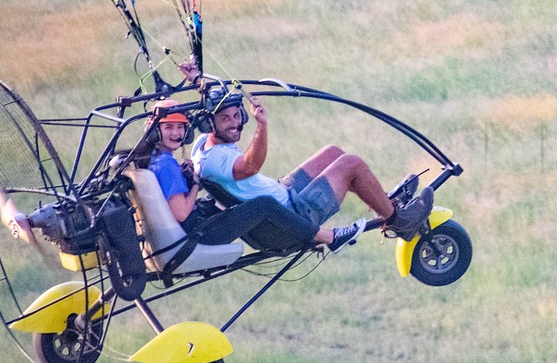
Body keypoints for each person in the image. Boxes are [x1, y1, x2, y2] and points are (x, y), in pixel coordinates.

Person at [191, 88, 432, 252]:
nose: (235, 124)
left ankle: (384, 203)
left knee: (333, 153)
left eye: (237, 115)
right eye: (225, 119)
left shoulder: (202, 145)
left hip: (283, 193)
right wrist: (261, 126)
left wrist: (195, 79)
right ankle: (400, 221)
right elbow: (251, 166)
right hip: (290, 217)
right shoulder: (216, 162)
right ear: (210, 123)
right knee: (352, 164)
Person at [143, 99, 203, 229]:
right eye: (168, 127)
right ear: (155, 132)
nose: (176, 133)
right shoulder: (167, 165)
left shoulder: (152, 158)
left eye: (180, 127)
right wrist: (196, 184)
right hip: (185, 236)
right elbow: (181, 214)